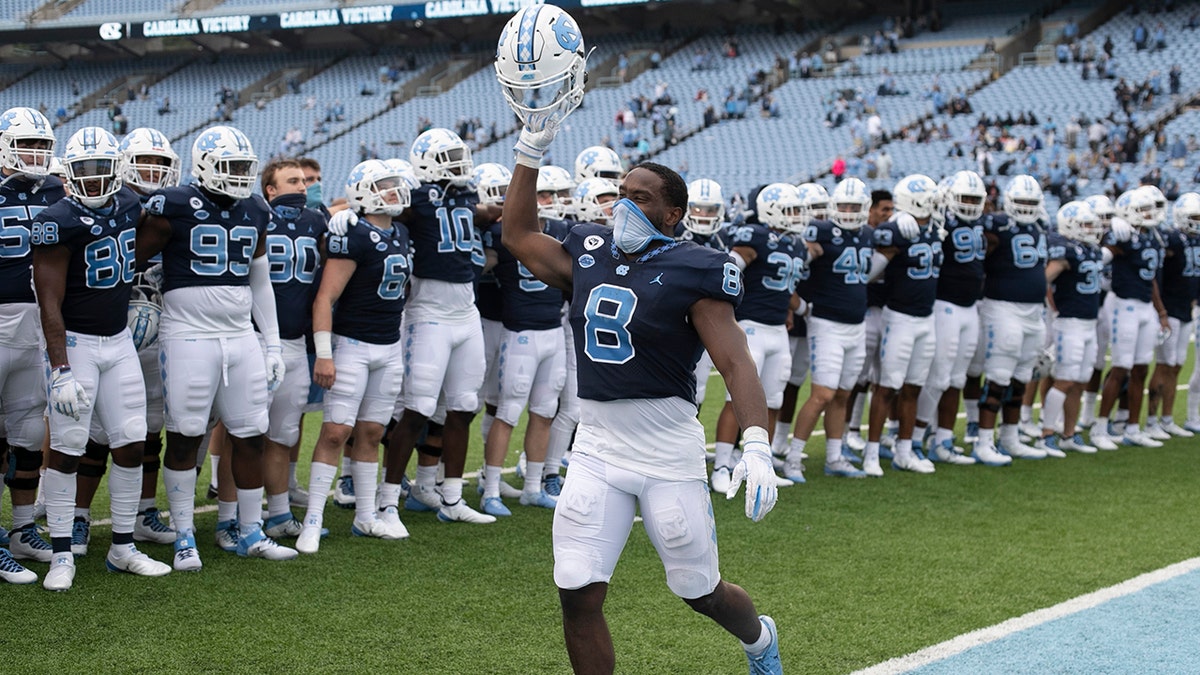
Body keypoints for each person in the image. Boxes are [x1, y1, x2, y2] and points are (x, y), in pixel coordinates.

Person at [495, 7, 781, 671]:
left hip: (667, 447)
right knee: (577, 591)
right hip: (594, 444)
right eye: (622, 191)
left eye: (643, 196)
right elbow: (516, 235)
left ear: (674, 213)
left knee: (698, 590)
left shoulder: (694, 266)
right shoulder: (588, 247)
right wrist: (530, 148)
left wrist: (758, 443)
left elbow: (735, 361)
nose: (625, 203)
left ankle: (759, 637)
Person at [136, 125, 296, 569]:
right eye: (231, 167)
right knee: (186, 436)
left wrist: (273, 344)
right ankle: (185, 534)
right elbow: (130, 257)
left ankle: (248, 530)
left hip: (240, 336)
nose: (239, 175)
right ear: (204, 166)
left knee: (251, 434)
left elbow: (261, 283)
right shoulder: (173, 204)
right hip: (187, 334)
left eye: (245, 167)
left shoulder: (255, 208)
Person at [32, 127, 173, 591]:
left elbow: (152, 238)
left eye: (101, 171)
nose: (93, 180)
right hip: (75, 342)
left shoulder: (132, 205)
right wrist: (59, 368)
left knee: (132, 441)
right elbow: (48, 303)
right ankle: (59, 554)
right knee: (69, 448)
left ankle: (123, 547)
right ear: (68, 175)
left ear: (118, 171)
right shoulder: (56, 219)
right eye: (83, 172)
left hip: (118, 343)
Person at [71, 127, 182, 556]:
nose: (153, 171)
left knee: (148, 429)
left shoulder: (175, 206)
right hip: (107, 329)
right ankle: (79, 516)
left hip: (161, 329)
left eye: (160, 163)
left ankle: (143, 512)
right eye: (146, 162)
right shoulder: (111, 204)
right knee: (94, 431)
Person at [297, 160, 413, 552]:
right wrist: (325, 354)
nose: (396, 190)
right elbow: (325, 298)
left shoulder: (400, 231)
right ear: (365, 191)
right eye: (386, 185)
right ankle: (312, 519)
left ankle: (367, 516)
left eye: (396, 184)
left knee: (371, 432)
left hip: (389, 346)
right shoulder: (354, 233)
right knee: (335, 431)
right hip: (353, 345)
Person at [479, 163, 566, 515]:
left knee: (545, 411)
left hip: (555, 332)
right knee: (508, 411)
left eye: (552, 195)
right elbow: (479, 265)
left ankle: (533, 487)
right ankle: (490, 490)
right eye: (543, 194)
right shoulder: (505, 235)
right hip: (521, 334)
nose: (551, 201)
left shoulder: (563, 230)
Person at [0, 107, 63, 582]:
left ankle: (22, 529)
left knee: (26, 434)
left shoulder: (60, 193)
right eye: (26, 145)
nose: (35, 155)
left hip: (38, 324)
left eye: (42, 146)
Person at [711, 183, 806, 490]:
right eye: (790, 211)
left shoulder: (796, 244)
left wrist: (801, 307)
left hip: (778, 329)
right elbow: (727, 268)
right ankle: (722, 465)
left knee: (773, 400)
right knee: (734, 399)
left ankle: (760, 464)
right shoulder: (756, 236)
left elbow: (783, 286)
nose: (796, 217)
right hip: (751, 327)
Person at [783, 178, 873, 481]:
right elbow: (797, 262)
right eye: (844, 205)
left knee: (843, 395)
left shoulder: (868, 235)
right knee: (822, 394)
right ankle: (793, 457)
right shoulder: (822, 232)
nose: (848, 211)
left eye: (854, 206)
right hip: (827, 325)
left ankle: (834, 457)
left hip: (856, 325)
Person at [257, 159, 327, 540]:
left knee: (283, 432)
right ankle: (235, 516)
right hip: (256, 338)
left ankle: (279, 513)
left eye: (303, 180)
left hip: (296, 341)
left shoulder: (316, 221)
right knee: (247, 431)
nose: (302, 187)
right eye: (292, 181)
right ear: (270, 188)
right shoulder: (255, 215)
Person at [863, 175, 942, 475]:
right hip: (899, 317)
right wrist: (892, 231)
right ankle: (871, 453)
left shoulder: (934, 230)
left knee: (913, 388)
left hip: (927, 317)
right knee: (887, 387)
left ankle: (904, 451)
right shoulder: (894, 229)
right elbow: (869, 269)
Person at [970, 175, 1051, 463]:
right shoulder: (996, 225)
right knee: (998, 377)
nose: (1027, 208)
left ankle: (1010, 438)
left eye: (1032, 202)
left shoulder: (1042, 226)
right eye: (1022, 202)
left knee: (1021, 378)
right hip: (1003, 309)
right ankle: (982, 442)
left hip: (1033, 312)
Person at [914, 171, 987, 464]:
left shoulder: (981, 224)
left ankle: (943, 439)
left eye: (974, 198)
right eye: (963, 198)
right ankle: (916, 440)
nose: (969, 204)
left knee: (957, 377)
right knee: (938, 376)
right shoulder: (939, 224)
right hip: (945, 306)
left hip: (970, 308)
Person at [1090, 188, 1168, 449]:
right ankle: (1099, 427)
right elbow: (1098, 254)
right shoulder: (1122, 235)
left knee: (1141, 369)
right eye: (1143, 209)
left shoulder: (1152, 237)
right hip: (1124, 305)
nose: (1149, 214)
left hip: (1146, 306)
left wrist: (1161, 312)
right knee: (1121, 368)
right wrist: (1112, 227)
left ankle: (1133, 428)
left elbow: (1152, 278)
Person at [1039, 201, 1105, 454]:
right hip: (1070, 323)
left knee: (1079, 381)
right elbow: (1042, 279)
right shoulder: (1065, 252)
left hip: (1089, 324)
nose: (1090, 229)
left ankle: (1069, 433)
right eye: (1086, 225)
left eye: (1092, 224)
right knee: (1064, 380)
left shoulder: (1091, 250)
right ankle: (1046, 434)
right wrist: (1052, 306)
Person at [1142, 192, 1199, 439]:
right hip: (1170, 307)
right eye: (1194, 217)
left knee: (1176, 366)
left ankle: (1167, 419)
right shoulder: (1172, 239)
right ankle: (1152, 421)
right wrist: (1161, 311)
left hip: (1186, 308)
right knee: (1164, 365)